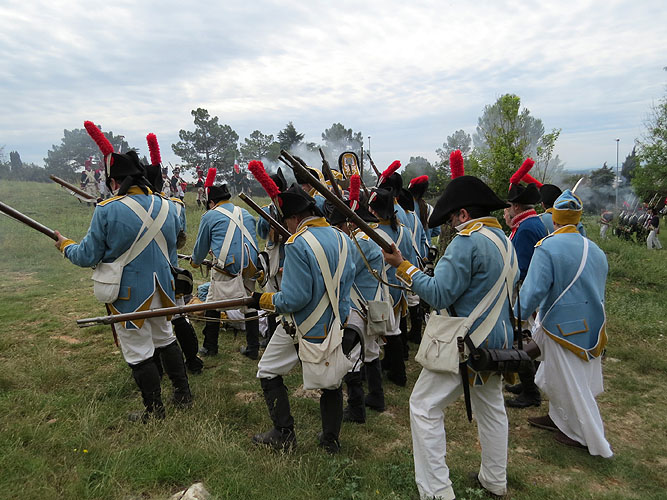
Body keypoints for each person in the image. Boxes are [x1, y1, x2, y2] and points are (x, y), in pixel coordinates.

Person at [382, 174, 518, 500]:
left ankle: (436, 492)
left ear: (463, 214)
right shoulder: (504, 240)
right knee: (492, 410)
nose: (452, 225)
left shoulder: (467, 241)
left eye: (453, 218)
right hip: (498, 341)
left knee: (424, 407)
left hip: (466, 343)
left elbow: (439, 294)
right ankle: (494, 480)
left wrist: (403, 266)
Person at [55, 121, 192, 421]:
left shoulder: (107, 209)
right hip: (165, 289)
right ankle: (183, 394)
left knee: (138, 350)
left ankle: (154, 411)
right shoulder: (170, 207)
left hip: (130, 294)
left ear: (115, 182)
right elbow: (172, 249)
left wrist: (65, 246)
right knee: (165, 338)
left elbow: (87, 255)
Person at [248, 185, 355, 453]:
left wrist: (262, 299)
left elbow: (294, 298)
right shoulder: (343, 238)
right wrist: (339, 319)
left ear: (294, 218)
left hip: (303, 325)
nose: (287, 226)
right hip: (334, 323)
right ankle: (330, 440)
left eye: (286, 221)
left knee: (268, 370)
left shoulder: (297, 243)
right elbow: (346, 285)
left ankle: (283, 433)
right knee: (332, 380)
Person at [519, 190, 613, 458]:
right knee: (562, 376)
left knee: (573, 385)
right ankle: (558, 418)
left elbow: (532, 291)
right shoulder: (595, 249)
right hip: (593, 324)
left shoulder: (547, 246)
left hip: (561, 326)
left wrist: (516, 314)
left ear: (555, 219)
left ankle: (587, 437)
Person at [145, 133, 203, 375]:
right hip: (171, 272)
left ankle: (158, 370)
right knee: (179, 318)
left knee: (151, 325)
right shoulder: (176, 206)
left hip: (146, 277)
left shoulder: (132, 207)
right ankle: (193, 361)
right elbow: (180, 241)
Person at [191, 168, 260, 360]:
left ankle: (210, 346)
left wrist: (195, 263)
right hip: (250, 265)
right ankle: (253, 348)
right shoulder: (245, 212)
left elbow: (200, 250)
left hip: (226, 267)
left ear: (211, 202)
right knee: (250, 305)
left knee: (213, 304)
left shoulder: (210, 215)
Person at [504, 160, 547, 409]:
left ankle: (531, 392)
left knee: (523, 340)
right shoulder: (530, 223)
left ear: (516, 206)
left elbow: (518, 267)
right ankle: (528, 383)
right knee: (528, 339)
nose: (507, 210)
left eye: (509, 206)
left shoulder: (526, 227)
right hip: (530, 288)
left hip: (526, 291)